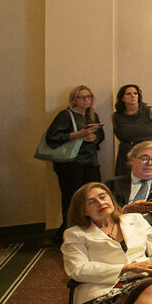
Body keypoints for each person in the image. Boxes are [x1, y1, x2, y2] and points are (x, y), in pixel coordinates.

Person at [45, 85, 106, 233]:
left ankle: (91, 229)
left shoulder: (92, 116)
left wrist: (94, 137)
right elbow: (51, 137)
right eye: (82, 97)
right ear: (74, 99)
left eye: (89, 97)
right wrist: (77, 135)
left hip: (90, 161)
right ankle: (69, 231)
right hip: (70, 163)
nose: (86, 100)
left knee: (94, 195)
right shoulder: (65, 115)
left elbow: (101, 135)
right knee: (72, 198)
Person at [111, 84, 152, 176]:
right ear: (122, 98)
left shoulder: (151, 112)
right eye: (129, 94)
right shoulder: (116, 116)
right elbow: (118, 134)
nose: (133, 96)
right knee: (126, 180)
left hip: (149, 151)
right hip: (127, 152)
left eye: (135, 93)